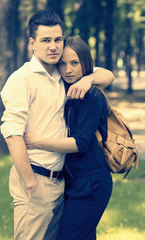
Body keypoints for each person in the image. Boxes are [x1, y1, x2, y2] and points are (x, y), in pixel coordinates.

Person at [0, 9, 114, 240]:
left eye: (57, 39)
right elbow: (12, 134)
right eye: (45, 40)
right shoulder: (22, 79)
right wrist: (30, 182)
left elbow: (106, 75)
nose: (53, 46)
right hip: (36, 178)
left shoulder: (61, 74)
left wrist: (89, 78)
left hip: (62, 182)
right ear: (32, 43)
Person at [24, 36, 113, 240]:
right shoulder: (63, 87)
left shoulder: (92, 95)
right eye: (62, 64)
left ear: (85, 64)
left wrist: (36, 141)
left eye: (74, 63)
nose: (68, 70)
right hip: (71, 181)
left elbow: (79, 143)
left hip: (91, 183)